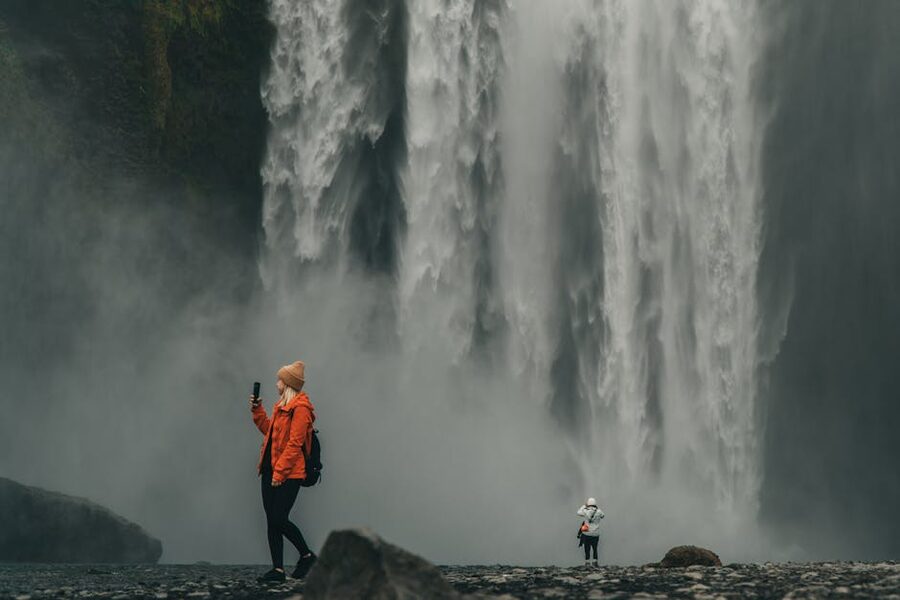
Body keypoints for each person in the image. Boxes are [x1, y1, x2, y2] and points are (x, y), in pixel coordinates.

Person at [250, 360, 318, 582]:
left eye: (280, 379)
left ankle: (307, 555)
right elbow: (270, 433)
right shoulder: (281, 406)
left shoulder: (301, 409)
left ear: (288, 384)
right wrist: (257, 410)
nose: (277, 383)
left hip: (290, 473)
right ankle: (277, 570)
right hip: (270, 469)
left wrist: (280, 473)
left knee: (279, 517)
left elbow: (295, 444)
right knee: (272, 520)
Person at [577, 497, 604, 567]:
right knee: (595, 548)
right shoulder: (599, 511)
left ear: (588, 504)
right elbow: (603, 515)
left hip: (587, 533)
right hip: (596, 533)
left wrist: (584, 506)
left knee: (587, 548)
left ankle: (587, 562)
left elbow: (578, 512)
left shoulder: (585, 511)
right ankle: (595, 562)